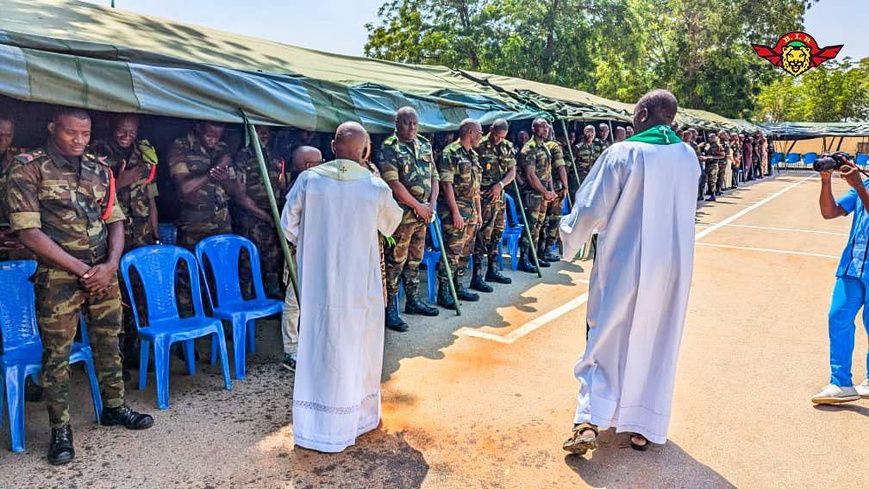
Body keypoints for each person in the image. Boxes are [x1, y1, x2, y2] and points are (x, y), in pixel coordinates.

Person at [4, 108, 154, 465]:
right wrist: (82, 270)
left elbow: (115, 220)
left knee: (109, 341)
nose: (79, 140)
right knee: (57, 354)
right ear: (52, 128)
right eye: (71, 132)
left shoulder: (99, 168)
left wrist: (111, 264)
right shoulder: (28, 168)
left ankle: (114, 407)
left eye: (85, 134)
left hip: (102, 271)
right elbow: (28, 232)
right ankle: (60, 429)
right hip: (59, 276)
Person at [560, 89, 699, 454]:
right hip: (672, 269)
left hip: (626, 264)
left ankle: (589, 420)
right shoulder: (688, 157)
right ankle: (644, 425)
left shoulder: (622, 153)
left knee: (606, 338)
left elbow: (592, 209)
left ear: (641, 115)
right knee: (656, 338)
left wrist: (569, 235)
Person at [281, 121, 402, 453]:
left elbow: (288, 226)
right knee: (357, 347)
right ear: (366, 151)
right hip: (358, 285)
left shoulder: (309, 180)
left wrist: (315, 243)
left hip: (318, 283)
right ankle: (356, 420)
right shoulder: (374, 186)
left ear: (333, 148)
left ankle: (316, 427)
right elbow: (391, 223)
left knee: (319, 347)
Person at [91, 114, 160, 375]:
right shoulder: (97, 152)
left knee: (140, 295)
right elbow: (90, 197)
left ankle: (135, 350)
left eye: (131, 132)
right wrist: (121, 182)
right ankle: (114, 359)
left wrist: (155, 234)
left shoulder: (144, 154)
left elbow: (151, 198)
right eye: (121, 130)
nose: (126, 136)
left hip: (141, 236)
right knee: (115, 298)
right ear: (112, 127)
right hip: (112, 239)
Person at [812, 159, 869, 403]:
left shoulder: (862, 185)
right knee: (838, 317)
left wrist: (859, 186)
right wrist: (826, 179)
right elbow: (830, 212)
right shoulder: (864, 184)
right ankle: (841, 383)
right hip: (852, 266)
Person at [378, 107, 440, 332]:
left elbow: (434, 176)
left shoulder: (424, 144)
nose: (411, 127)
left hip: (423, 215)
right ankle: (390, 309)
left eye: (414, 123)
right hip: (402, 216)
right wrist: (418, 207)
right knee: (396, 262)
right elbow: (393, 183)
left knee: (415, 259)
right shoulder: (389, 147)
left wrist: (431, 205)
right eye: (406, 123)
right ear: (397, 123)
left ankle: (413, 301)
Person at [232, 125, 291, 299]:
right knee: (247, 261)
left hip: (273, 216)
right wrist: (264, 216)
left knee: (273, 259)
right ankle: (246, 299)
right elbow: (239, 195)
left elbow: (281, 187)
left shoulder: (275, 156)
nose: (264, 135)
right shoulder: (243, 156)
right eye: (259, 130)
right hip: (250, 218)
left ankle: (272, 296)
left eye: (267, 131)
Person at [279, 145, 323, 372]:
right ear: (307, 165)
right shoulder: (304, 181)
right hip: (302, 251)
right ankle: (291, 351)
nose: (324, 164)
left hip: (319, 251)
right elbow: (287, 224)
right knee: (294, 301)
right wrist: (304, 244)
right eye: (320, 161)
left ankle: (311, 345)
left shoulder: (321, 182)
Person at [436, 119, 483, 308]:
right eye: (479, 133)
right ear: (470, 132)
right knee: (453, 252)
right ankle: (444, 291)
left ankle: (458, 286)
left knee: (466, 250)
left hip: (470, 210)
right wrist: (455, 213)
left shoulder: (473, 156)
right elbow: (446, 185)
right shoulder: (450, 153)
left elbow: (476, 188)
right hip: (455, 210)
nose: (481, 137)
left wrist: (478, 212)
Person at [169, 121, 233, 250]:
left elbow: (235, 190)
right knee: (194, 261)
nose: (214, 140)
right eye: (209, 135)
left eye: (218, 137)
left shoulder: (222, 148)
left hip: (222, 222)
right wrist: (213, 171)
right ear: (198, 128)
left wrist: (225, 179)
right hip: (194, 225)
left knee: (222, 261)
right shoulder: (181, 146)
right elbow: (184, 188)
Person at [471, 119, 515, 292]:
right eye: (496, 135)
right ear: (491, 129)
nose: (498, 139)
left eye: (502, 137)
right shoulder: (479, 145)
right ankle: (477, 276)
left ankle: (492, 269)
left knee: (497, 233)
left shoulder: (507, 146)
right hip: (483, 197)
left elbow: (512, 172)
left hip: (499, 196)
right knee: (482, 236)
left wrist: (500, 185)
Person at [518, 118, 557, 274]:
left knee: (538, 226)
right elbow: (530, 175)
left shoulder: (544, 147)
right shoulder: (530, 148)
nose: (545, 130)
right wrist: (544, 191)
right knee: (530, 226)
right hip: (533, 194)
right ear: (534, 129)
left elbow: (548, 172)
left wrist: (551, 190)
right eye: (542, 127)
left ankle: (533, 256)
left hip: (543, 194)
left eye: (546, 127)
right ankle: (523, 259)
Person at [0, 115, 32, 262]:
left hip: (15, 234)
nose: (2, 140)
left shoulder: (20, 162)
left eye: (8, 135)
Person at [541, 125, 569, 262]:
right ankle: (547, 251)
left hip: (541, 188)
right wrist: (565, 186)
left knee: (542, 222)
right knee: (553, 220)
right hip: (555, 189)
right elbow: (560, 167)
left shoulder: (539, 146)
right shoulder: (554, 146)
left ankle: (539, 251)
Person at [700, 132, 726, 202]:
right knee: (704, 180)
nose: (710, 139)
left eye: (712, 137)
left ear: (715, 138)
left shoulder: (718, 146)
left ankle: (713, 195)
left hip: (714, 164)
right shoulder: (707, 145)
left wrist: (712, 157)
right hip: (707, 164)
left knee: (712, 180)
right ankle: (701, 195)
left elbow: (722, 156)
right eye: (709, 137)